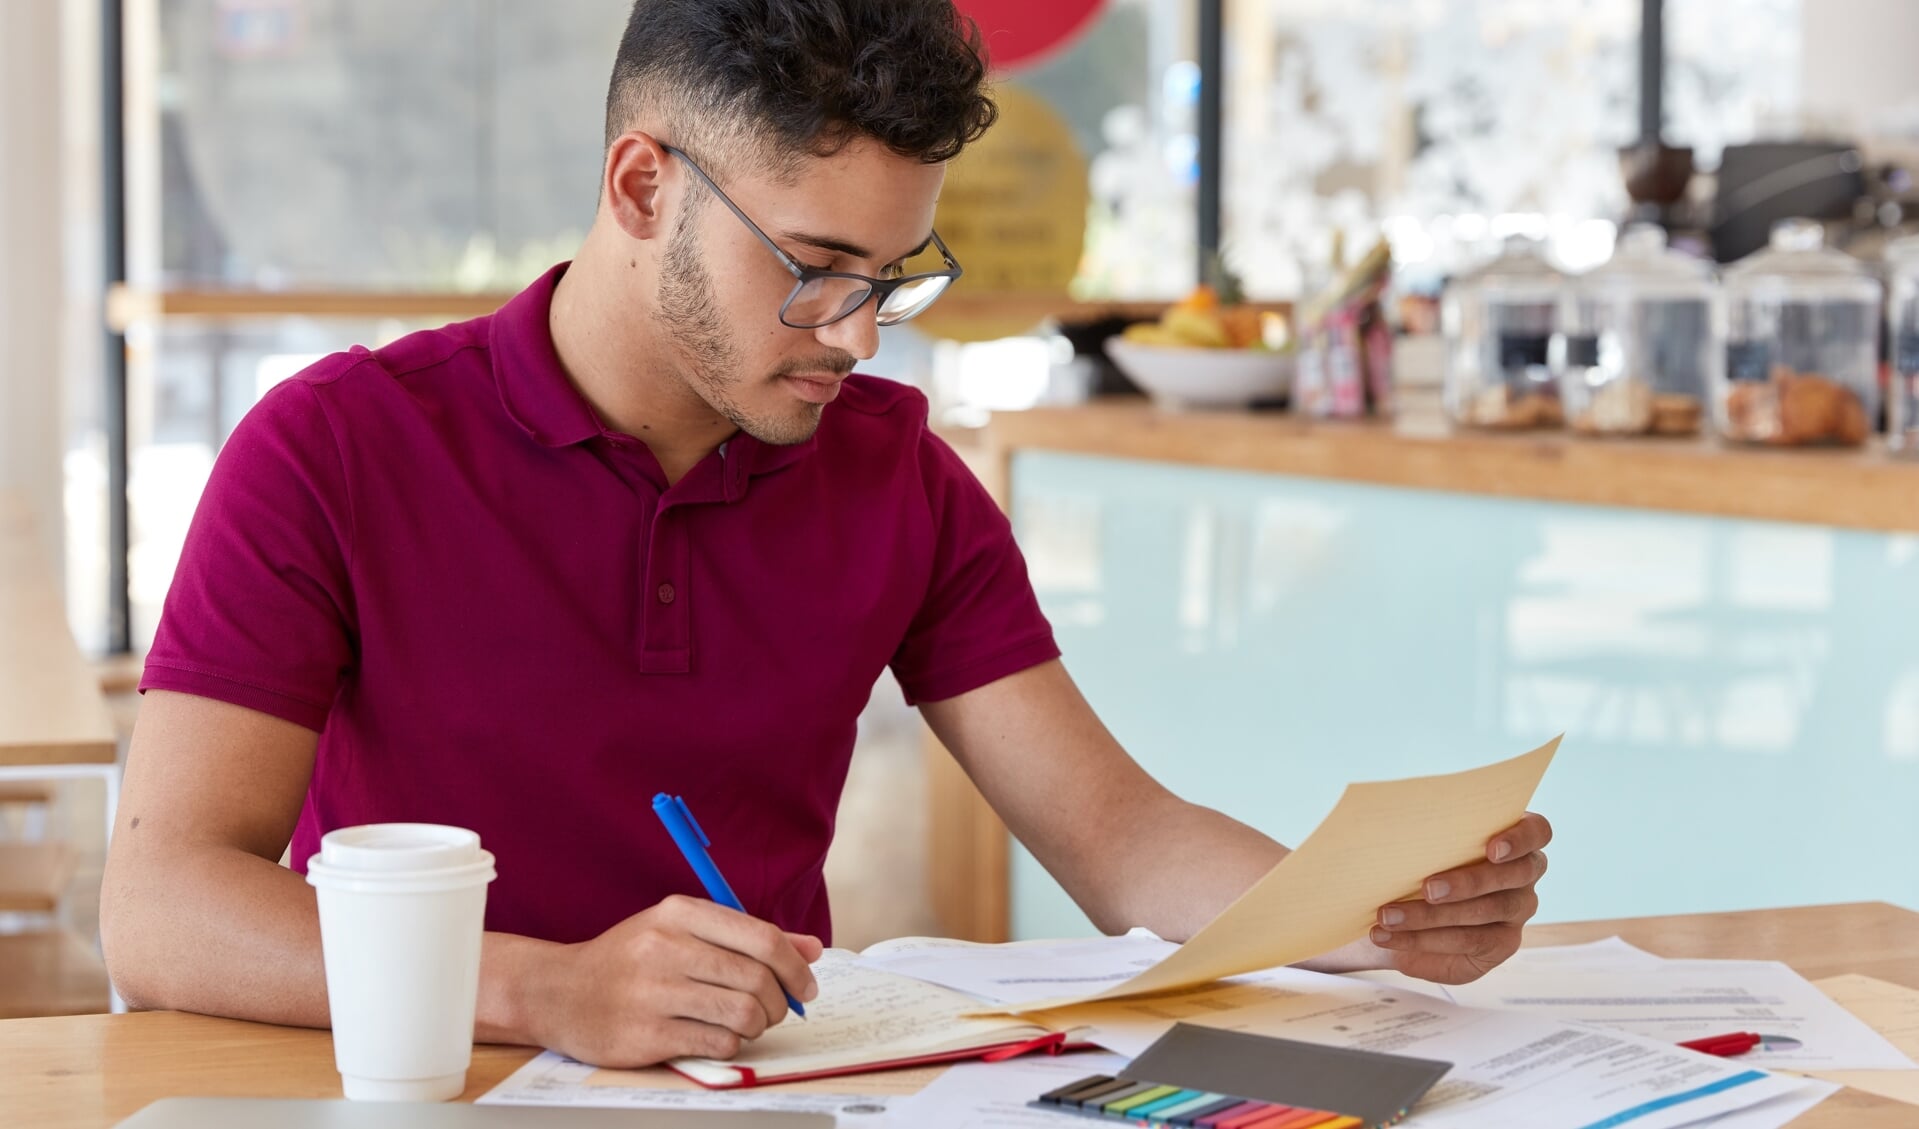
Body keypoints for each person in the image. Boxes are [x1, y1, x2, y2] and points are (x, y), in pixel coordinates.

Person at [101, 0, 1551, 1069]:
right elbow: (160, 907)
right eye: (814, 268)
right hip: (418, 1090)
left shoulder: (895, 478)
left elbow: (1121, 837)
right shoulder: (338, 447)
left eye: (893, 274)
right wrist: (546, 989)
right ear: (642, 187)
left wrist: (1369, 914)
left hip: (765, 1092)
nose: (856, 333)